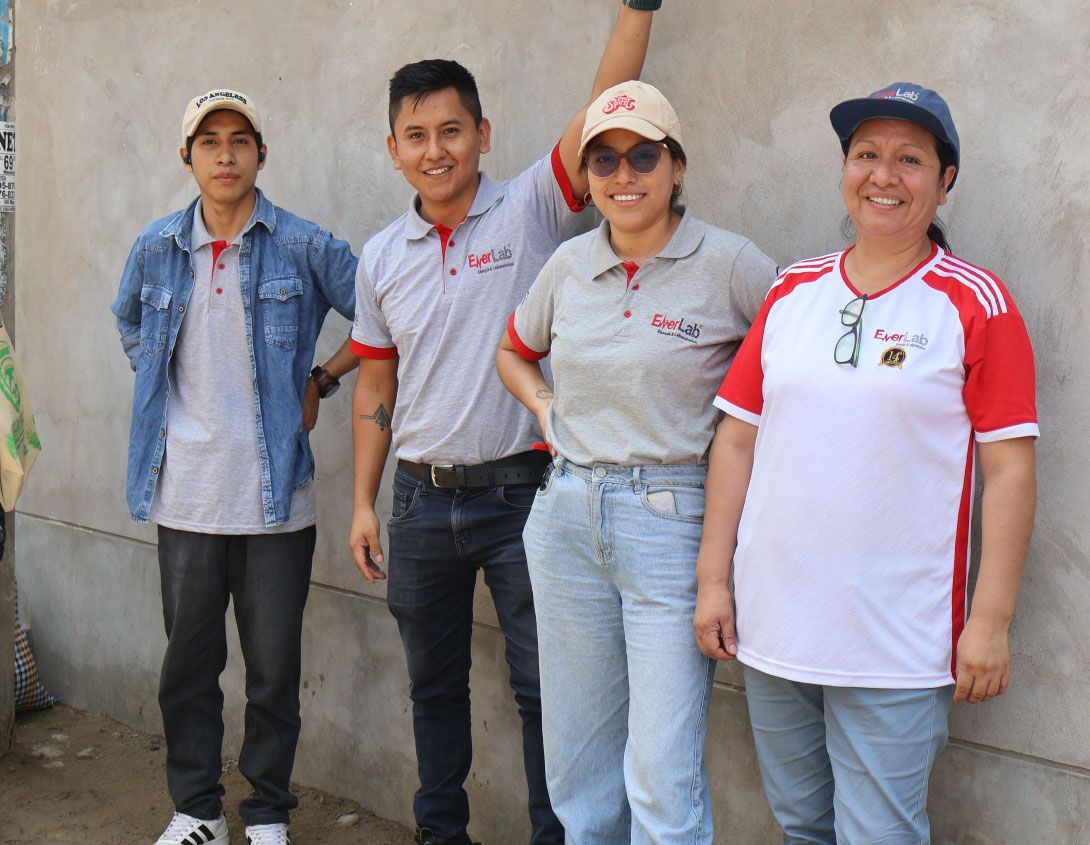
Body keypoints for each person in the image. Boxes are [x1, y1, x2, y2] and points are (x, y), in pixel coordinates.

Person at [346, 5, 666, 843]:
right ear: (394, 150)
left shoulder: (529, 207)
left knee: (547, 691)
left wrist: (639, 8)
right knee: (434, 688)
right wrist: (362, 502)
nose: (435, 149)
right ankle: (439, 832)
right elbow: (376, 381)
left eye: (452, 129)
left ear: (483, 135)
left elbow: (608, 105)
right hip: (418, 503)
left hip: (524, 492)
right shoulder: (380, 256)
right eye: (415, 135)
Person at [694, 83, 1038, 844]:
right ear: (845, 169)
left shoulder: (977, 303)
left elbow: (1010, 471)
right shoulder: (792, 288)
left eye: (910, 159)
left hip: (897, 642)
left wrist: (991, 620)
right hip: (775, 624)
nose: (883, 175)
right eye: (866, 155)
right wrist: (714, 581)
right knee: (802, 826)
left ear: (946, 180)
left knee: (879, 833)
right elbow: (737, 440)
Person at [496, 81, 777, 843]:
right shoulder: (567, 264)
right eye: (604, 160)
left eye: (643, 156)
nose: (624, 175)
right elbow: (515, 350)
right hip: (565, 519)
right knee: (579, 767)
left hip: (672, 523)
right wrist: (546, 408)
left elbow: (788, 372)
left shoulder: (730, 264)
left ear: (676, 165)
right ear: (586, 178)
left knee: (660, 773)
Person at [110, 89, 359, 845]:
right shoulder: (157, 247)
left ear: (260, 153)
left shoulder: (305, 246)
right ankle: (197, 811)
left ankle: (268, 814)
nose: (225, 154)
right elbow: (129, 320)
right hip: (184, 495)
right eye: (209, 141)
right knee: (188, 668)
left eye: (239, 139)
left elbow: (384, 315)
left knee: (274, 672)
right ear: (187, 156)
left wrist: (322, 379)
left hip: (278, 499)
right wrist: (161, 387)